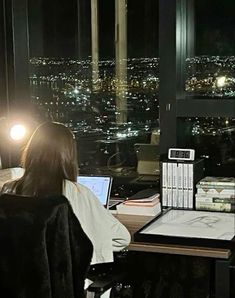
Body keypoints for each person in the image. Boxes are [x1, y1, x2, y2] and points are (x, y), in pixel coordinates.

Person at [0, 121, 131, 266]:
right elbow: (122, 238)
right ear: (68, 155)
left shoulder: (8, 191)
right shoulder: (78, 193)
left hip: (17, 284)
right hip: (64, 284)